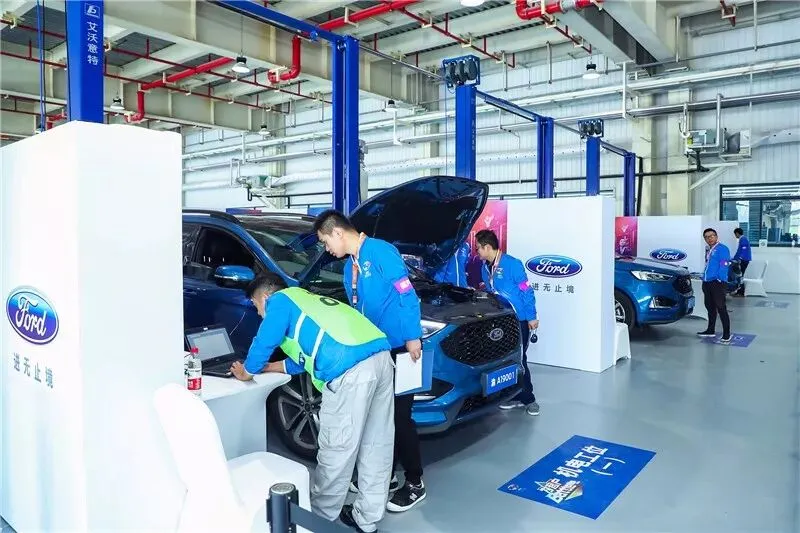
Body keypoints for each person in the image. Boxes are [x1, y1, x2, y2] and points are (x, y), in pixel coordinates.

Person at [230, 273, 395, 533]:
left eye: (256, 305)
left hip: (349, 370)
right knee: (377, 443)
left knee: (336, 449)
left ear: (265, 296)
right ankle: (367, 519)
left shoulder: (279, 301)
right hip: (381, 357)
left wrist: (248, 371)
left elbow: (265, 339)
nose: (259, 313)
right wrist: (270, 367)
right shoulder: (308, 300)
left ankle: (320, 520)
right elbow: (306, 358)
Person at [313, 210, 427, 513]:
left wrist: (412, 336)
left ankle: (415, 482)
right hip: (374, 351)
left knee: (400, 417)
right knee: (379, 418)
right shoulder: (349, 266)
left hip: (400, 348)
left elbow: (406, 294)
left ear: (337, 232)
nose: (327, 249)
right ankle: (385, 476)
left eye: (325, 241)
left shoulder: (380, 251)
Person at [474, 229, 540, 416]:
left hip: (519, 319)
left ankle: (529, 399)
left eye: (478, 248)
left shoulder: (513, 264)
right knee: (502, 360)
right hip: (500, 321)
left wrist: (531, 316)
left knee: (520, 359)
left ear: (487, 247)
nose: (476, 252)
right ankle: (512, 395)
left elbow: (526, 291)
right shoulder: (484, 268)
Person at [697, 228, 732, 342]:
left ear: (716, 237)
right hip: (707, 282)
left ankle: (726, 334)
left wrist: (720, 278)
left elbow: (724, 264)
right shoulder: (709, 249)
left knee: (721, 307)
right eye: (707, 237)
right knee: (710, 307)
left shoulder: (722, 249)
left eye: (712, 236)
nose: (709, 238)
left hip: (717, 283)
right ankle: (710, 330)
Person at [732, 227, 751, 296]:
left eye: (735, 234)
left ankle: (741, 292)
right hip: (742, 259)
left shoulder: (743, 239)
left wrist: (740, 258)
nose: (735, 236)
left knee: (740, 276)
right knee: (739, 276)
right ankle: (739, 291)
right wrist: (734, 258)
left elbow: (744, 249)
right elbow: (739, 250)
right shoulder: (742, 239)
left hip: (743, 260)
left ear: (737, 233)